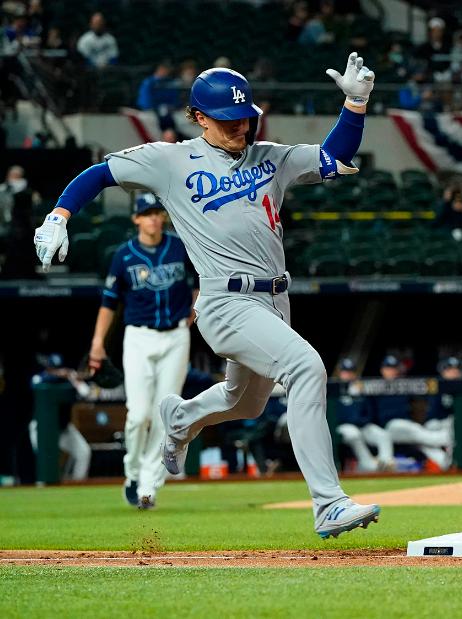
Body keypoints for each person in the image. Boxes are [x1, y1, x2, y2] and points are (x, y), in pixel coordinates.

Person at [33, 54, 381, 540]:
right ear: (198, 118)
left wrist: (355, 103)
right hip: (225, 301)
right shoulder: (169, 160)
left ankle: (181, 417)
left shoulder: (271, 156)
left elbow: (333, 158)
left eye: (247, 117)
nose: (242, 126)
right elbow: (99, 174)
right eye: (229, 120)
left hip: (276, 299)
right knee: (306, 367)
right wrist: (59, 215)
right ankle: (328, 504)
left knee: (246, 403)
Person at [87, 194, 196, 509]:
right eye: (146, 214)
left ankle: (149, 485)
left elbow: (201, 279)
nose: (153, 219)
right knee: (139, 415)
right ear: (136, 219)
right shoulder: (124, 255)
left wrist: (195, 307)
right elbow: (109, 302)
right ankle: (133, 472)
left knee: (165, 416)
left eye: (157, 213)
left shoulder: (179, 246)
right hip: (138, 337)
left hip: (175, 336)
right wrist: (97, 343)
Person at [369, 355, 452, 471]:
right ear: (382, 370)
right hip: (390, 427)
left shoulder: (404, 384)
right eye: (388, 368)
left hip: (406, 428)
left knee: (421, 443)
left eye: (393, 368)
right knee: (425, 436)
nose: (391, 371)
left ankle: (445, 462)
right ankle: (449, 437)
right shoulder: (374, 387)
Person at [28, 354, 92, 482]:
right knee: (46, 462)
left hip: (64, 429)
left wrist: (72, 378)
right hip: (41, 429)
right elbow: (34, 382)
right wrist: (56, 375)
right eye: (53, 369)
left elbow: (86, 392)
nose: (57, 371)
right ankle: (43, 491)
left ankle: (77, 485)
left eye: (59, 368)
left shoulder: (69, 378)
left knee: (84, 453)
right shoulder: (41, 378)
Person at [333, 357, 386, 472]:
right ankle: (370, 466)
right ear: (340, 373)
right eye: (344, 372)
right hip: (343, 427)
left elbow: (370, 413)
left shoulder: (361, 390)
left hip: (361, 425)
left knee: (382, 434)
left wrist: (362, 421)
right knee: (354, 434)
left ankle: (385, 464)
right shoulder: (333, 388)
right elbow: (335, 415)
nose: (347, 375)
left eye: (350, 372)